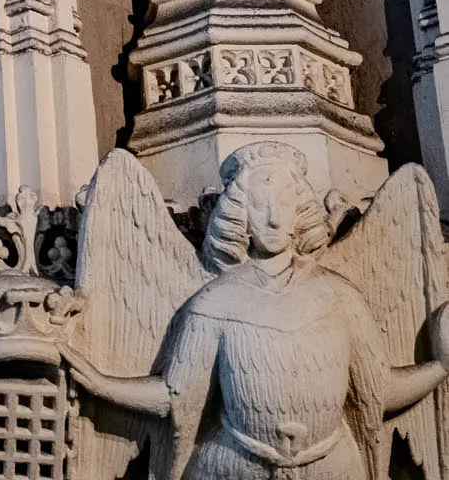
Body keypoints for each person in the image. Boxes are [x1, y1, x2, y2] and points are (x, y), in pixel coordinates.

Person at [64, 141, 449, 480]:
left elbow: (377, 392)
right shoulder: (215, 301)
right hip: (232, 466)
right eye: (259, 205)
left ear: (301, 213)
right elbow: (176, 396)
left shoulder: (339, 296)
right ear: (238, 215)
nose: (274, 218)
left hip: (333, 467)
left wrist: (440, 366)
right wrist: (101, 384)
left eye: (285, 203)